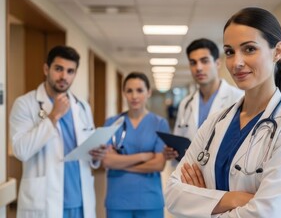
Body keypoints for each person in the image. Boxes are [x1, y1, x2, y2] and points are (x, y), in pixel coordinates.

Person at [165, 7, 281, 217]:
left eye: (249, 49)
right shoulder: (216, 121)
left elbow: (268, 213)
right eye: (229, 52)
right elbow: (172, 194)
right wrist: (232, 199)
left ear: (277, 51)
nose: (237, 62)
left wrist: (205, 200)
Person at [9, 45, 107, 218]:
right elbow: (21, 151)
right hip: (44, 202)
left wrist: (96, 155)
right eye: (58, 69)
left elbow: (86, 149)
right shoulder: (25, 104)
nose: (64, 76)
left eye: (70, 71)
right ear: (46, 69)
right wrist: (53, 116)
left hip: (79, 200)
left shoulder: (82, 106)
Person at [101, 72, 169, 218]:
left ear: (148, 92)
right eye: (129, 91)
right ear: (123, 93)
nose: (134, 96)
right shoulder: (112, 123)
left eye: (139, 90)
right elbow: (106, 160)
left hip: (150, 201)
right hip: (117, 200)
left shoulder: (159, 123)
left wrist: (119, 163)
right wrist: (144, 156)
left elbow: (158, 165)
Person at [164, 38, 243, 160]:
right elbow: (179, 141)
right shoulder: (185, 104)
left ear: (217, 63)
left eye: (204, 61)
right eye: (193, 62)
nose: (198, 68)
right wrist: (172, 153)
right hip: (189, 174)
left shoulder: (239, 98)